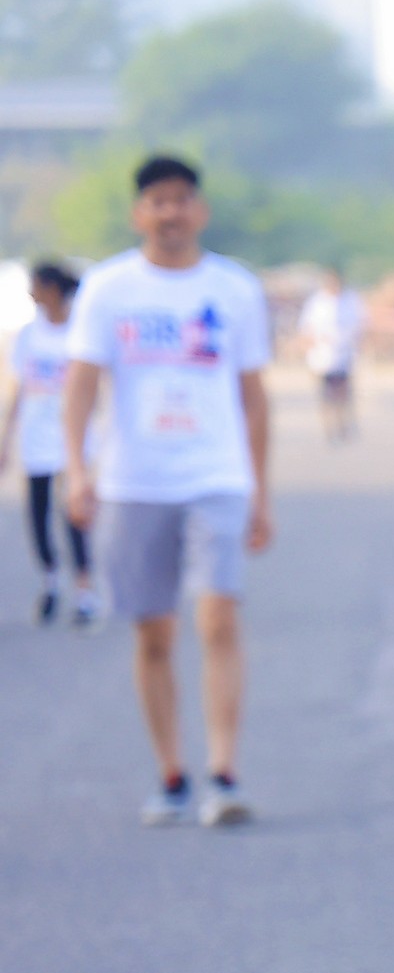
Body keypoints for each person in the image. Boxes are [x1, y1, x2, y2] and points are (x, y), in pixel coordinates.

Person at [61, 155, 274, 828]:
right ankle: (172, 774)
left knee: (218, 618)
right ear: (139, 214)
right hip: (134, 480)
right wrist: (77, 469)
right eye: (158, 201)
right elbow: (81, 384)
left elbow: (254, 397)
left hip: (216, 475)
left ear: (200, 211)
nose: (171, 212)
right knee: (154, 632)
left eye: (182, 200)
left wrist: (261, 492)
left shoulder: (233, 289)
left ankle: (224, 773)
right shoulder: (108, 289)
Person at [3, 262, 101, 628]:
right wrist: (6, 439)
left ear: (53, 289)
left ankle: (84, 591)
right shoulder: (29, 336)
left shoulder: (79, 333)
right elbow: (19, 389)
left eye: (37, 286)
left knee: (75, 514)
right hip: (36, 439)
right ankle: (50, 580)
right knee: (39, 515)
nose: (32, 294)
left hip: (72, 439)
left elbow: (95, 387)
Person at [299, 265, 365, 444]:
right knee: (325, 396)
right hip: (321, 357)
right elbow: (306, 328)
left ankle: (344, 425)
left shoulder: (350, 300)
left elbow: (360, 325)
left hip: (344, 355)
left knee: (343, 393)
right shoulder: (317, 302)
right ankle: (329, 429)